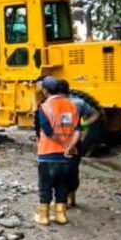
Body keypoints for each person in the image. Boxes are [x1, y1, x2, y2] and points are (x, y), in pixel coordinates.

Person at [34, 76, 81, 226]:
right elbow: (77, 130)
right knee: (62, 185)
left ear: (45, 91)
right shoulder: (72, 106)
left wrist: (61, 143)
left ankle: (43, 216)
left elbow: (48, 132)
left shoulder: (44, 107)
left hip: (48, 154)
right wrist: (69, 146)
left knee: (45, 185)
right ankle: (61, 216)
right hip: (67, 156)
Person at [59, 79, 102, 207]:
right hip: (73, 142)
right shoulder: (78, 102)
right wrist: (84, 124)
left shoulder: (60, 104)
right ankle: (70, 197)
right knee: (72, 170)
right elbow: (96, 114)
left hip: (64, 143)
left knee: (64, 171)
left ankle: (66, 199)